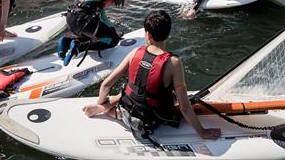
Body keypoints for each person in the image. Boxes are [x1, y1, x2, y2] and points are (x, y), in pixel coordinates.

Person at [82, 10, 221, 142]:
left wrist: (100, 102)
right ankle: (106, 109)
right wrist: (202, 132)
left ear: (147, 35)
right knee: (172, 96)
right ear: (168, 34)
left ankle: (103, 108)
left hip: (125, 113)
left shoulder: (135, 52)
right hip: (151, 121)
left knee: (131, 88)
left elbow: (106, 84)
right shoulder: (174, 63)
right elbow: (184, 106)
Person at [57, 0, 138, 65]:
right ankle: (79, 47)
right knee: (112, 41)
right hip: (84, 21)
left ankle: (67, 41)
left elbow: (102, 15)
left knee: (95, 33)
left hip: (71, 17)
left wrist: (113, 31)